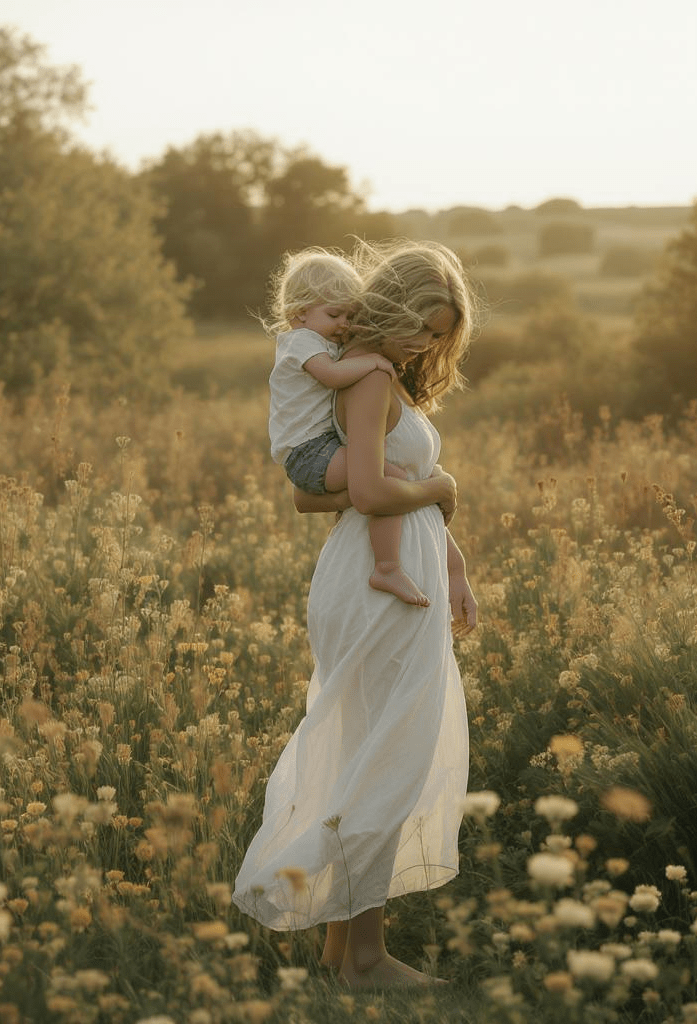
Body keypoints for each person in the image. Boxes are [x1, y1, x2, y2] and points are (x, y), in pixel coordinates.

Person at [234, 239, 480, 988]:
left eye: (440, 335)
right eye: (425, 326)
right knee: (384, 757)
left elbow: (328, 492)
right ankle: (366, 958)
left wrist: (454, 562)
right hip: (381, 584)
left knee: (371, 751)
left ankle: (345, 955)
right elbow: (371, 494)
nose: (428, 344)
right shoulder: (369, 382)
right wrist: (441, 491)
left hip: (401, 570)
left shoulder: (376, 379)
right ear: (396, 307)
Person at [266, 247, 431, 606]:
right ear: (299, 315)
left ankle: (365, 531)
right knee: (393, 480)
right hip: (310, 453)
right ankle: (386, 566)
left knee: (378, 482)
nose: (343, 323)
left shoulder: (317, 339)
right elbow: (332, 376)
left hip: (316, 450)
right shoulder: (302, 342)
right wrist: (373, 360)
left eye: (350, 314)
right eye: (334, 313)